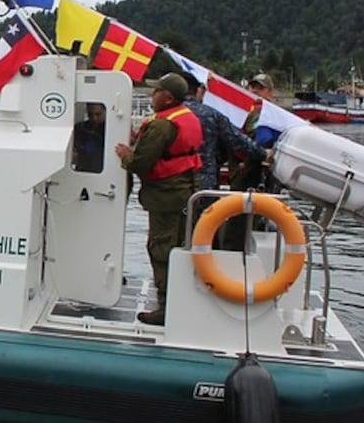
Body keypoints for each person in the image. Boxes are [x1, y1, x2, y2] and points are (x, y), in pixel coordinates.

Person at [114, 73, 203, 326]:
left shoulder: (162, 126)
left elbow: (140, 164)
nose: (152, 96)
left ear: (168, 98)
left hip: (167, 196)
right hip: (186, 191)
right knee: (180, 247)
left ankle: (166, 308)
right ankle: (180, 301)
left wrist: (125, 154)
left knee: (161, 249)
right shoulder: (188, 117)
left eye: (156, 92)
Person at [177, 72, 267, 191]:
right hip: (205, 183)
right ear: (198, 90)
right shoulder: (211, 115)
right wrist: (264, 154)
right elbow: (237, 140)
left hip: (172, 183)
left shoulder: (166, 115)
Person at [222, 73, 279, 250]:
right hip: (241, 170)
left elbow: (255, 141)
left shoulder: (269, 114)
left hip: (256, 172)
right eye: (252, 87)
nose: (255, 91)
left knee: (245, 220)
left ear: (270, 92)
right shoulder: (245, 112)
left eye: (260, 88)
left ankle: (240, 252)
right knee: (237, 219)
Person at [73, 103, 107, 172]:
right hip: (83, 171)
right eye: (90, 115)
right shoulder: (80, 128)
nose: (94, 118)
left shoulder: (111, 131)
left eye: (98, 114)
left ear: (105, 112)